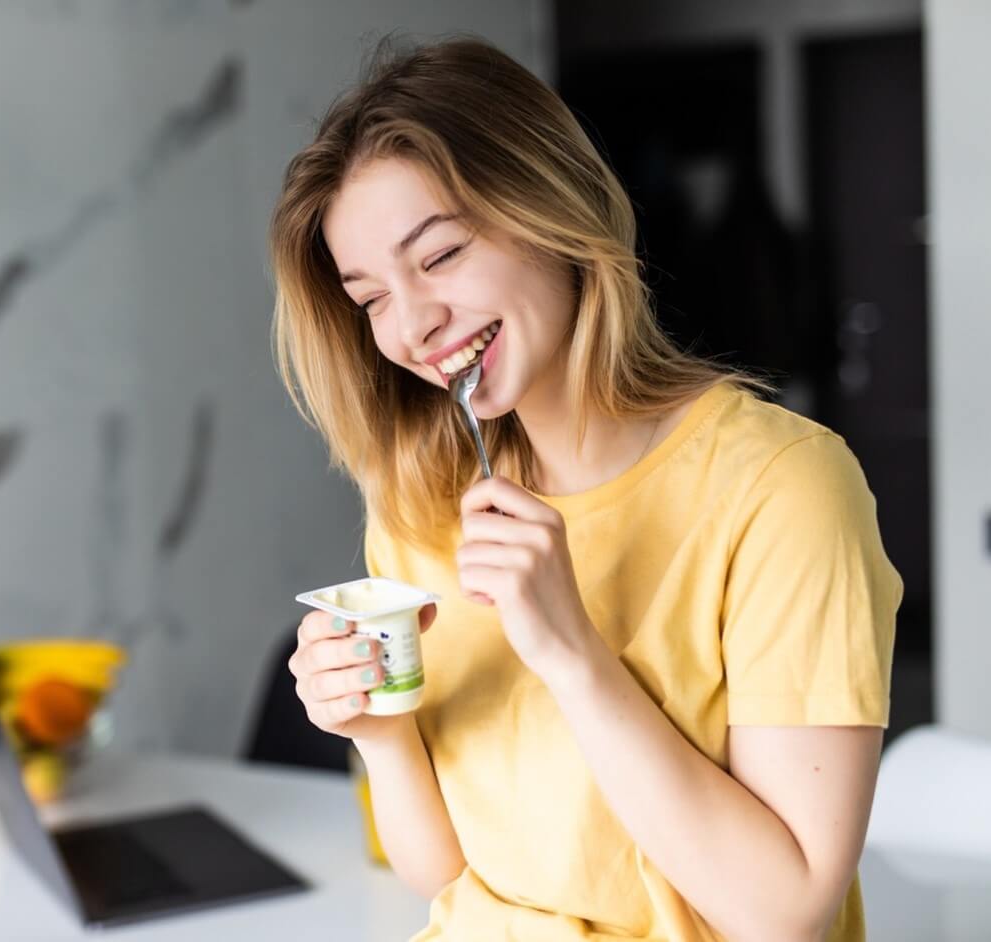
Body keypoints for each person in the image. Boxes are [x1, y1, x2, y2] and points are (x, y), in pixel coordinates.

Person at [268, 36, 899, 942]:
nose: (411, 324)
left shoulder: (780, 487)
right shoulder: (422, 499)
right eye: (369, 297)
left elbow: (785, 912)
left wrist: (571, 654)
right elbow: (440, 870)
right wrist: (378, 733)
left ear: (551, 210)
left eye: (440, 255)